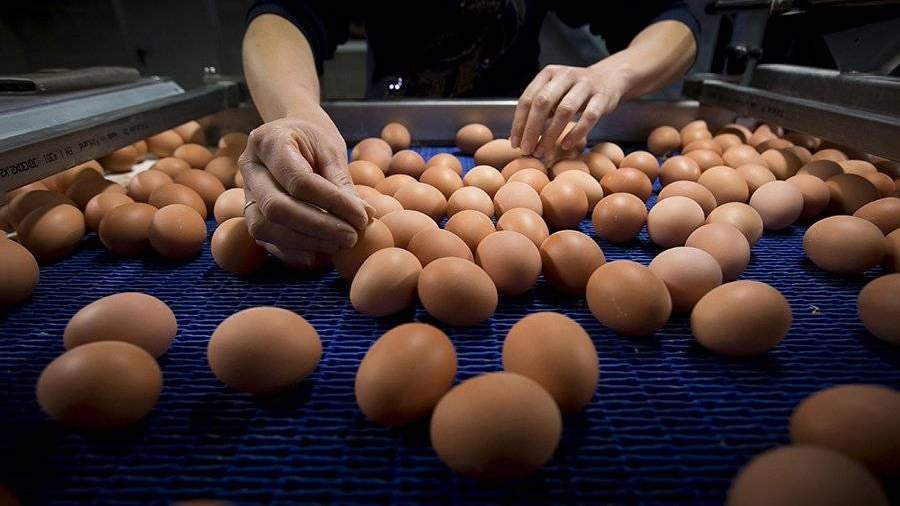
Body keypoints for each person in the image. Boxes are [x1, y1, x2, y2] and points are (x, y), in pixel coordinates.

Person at [239, 1, 698, 267]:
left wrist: (616, 72)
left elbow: (674, 20)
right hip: (392, 123)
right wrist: (295, 110)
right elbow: (283, 14)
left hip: (526, 132)